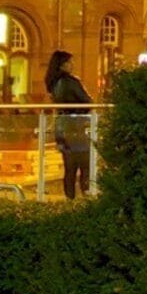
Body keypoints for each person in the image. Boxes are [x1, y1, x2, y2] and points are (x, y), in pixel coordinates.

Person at [46, 50, 93, 202]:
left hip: (62, 127)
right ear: (62, 65)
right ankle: (86, 198)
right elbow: (87, 102)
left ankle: (70, 200)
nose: (73, 65)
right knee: (85, 166)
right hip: (76, 128)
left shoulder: (54, 83)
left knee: (69, 168)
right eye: (70, 62)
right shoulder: (70, 82)